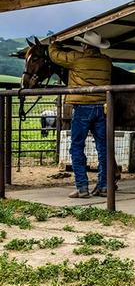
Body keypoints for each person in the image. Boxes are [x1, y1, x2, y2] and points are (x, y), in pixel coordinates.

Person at [49, 31, 112, 198]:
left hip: (83, 108)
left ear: (84, 45)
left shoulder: (77, 58)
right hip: (102, 107)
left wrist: (53, 44)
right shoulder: (106, 62)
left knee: (77, 147)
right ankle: (104, 186)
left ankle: (82, 187)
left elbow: (56, 56)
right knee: (103, 148)